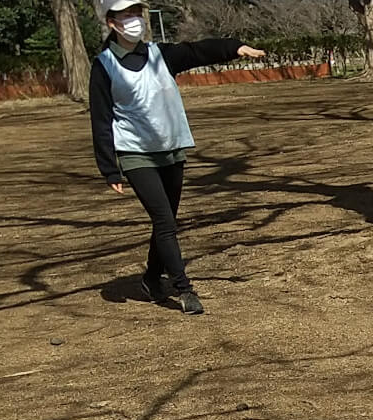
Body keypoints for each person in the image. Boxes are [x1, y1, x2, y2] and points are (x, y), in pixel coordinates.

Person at [89, 1, 265, 315]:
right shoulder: (104, 66)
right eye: (127, 15)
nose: (135, 21)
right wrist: (109, 169)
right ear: (112, 22)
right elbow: (101, 120)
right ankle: (184, 289)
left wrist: (234, 47)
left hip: (171, 150)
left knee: (165, 222)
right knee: (165, 221)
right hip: (135, 155)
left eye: (137, 14)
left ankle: (151, 279)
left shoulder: (159, 55)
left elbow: (196, 51)